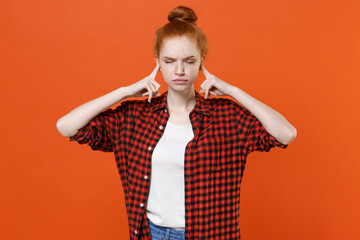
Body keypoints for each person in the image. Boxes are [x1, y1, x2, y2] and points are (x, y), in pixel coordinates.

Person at [56, 5, 297, 240]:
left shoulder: (227, 117)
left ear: (202, 60)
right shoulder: (134, 118)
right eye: (169, 61)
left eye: (189, 61)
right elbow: (66, 126)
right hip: (153, 234)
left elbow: (286, 134)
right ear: (157, 62)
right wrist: (123, 92)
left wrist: (233, 91)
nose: (179, 70)